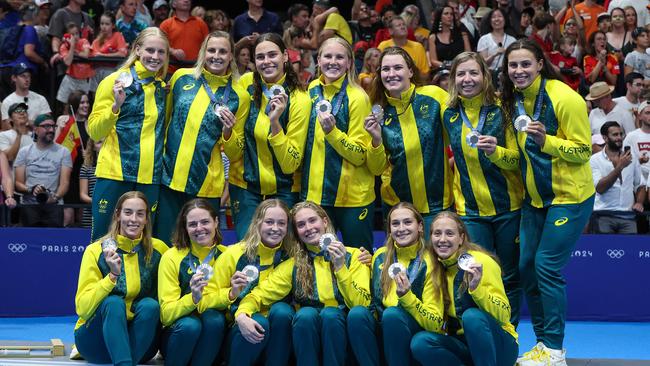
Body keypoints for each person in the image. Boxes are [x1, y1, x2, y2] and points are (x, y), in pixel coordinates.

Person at [501, 39, 595, 365]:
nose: (519, 71)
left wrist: (547, 141)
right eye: (513, 65)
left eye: (525, 64)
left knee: (546, 267)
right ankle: (543, 344)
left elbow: (584, 151)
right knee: (526, 267)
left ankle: (555, 350)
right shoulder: (514, 102)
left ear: (540, 64)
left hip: (570, 197)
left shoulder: (564, 98)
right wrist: (494, 152)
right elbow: (518, 159)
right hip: (535, 200)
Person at [234, 201, 371, 365]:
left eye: (312, 220)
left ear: (325, 221)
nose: (308, 227)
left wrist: (340, 267)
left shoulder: (354, 256)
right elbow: (260, 294)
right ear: (297, 232)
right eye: (301, 225)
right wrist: (242, 314)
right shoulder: (293, 264)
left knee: (330, 315)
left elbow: (362, 304)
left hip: (343, 328)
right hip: (307, 328)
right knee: (305, 315)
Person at [443, 51, 523, 326]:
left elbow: (518, 159)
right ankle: (480, 334)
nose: (467, 79)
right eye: (461, 74)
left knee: (509, 275)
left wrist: (496, 152)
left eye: (473, 73)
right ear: (453, 79)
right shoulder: (450, 114)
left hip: (508, 208)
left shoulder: (504, 109)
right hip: (471, 211)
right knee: (473, 271)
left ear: (485, 76)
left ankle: (507, 336)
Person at [155, 30, 250, 245]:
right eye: (212, 50)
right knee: (163, 245)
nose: (216, 56)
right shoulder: (181, 78)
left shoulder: (240, 96)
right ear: (203, 53)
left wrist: (228, 131)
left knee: (203, 250)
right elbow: (164, 122)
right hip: (169, 178)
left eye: (223, 51)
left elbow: (236, 152)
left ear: (231, 57)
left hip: (207, 184)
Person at [88, 27, 169, 241]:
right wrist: (116, 106)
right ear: (137, 49)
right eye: (150, 50)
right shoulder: (113, 81)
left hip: (150, 177)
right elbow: (95, 131)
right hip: (114, 173)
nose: (155, 56)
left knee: (144, 242)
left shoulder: (162, 89)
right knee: (103, 240)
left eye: (161, 52)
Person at [226, 33, 310, 240]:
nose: (266, 61)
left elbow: (290, 164)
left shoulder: (300, 99)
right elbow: (233, 151)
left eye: (272, 55)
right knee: (247, 250)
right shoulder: (244, 85)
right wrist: (227, 132)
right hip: (244, 186)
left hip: (285, 188)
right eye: (260, 57)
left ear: (285, 56)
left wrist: (274, 123)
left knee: (282, 252)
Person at [410, 211, 518, 365]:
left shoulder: (481, 262)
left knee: (472, 316)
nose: (442, 239)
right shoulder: (435, 267)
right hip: (464, 344)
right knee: (421, 342)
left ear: (461, 238)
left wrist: (477, 290)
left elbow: (504, 315)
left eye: (449, 233)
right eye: (437, 233)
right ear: (431, 237)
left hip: (500, 346)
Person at [73, 191, 168, 365]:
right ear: (117, 215)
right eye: (128, 212)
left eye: (140, 214)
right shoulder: (95, 251)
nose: (134, 219)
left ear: (147, 218)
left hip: (141, 345)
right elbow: (83, 308)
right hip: (96, 344)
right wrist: (112, 276)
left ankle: (125, 361)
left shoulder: (160, 250)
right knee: (113, 303)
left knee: (150, 305)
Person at [365, 47, 453, 233]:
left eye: (398, 67)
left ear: (410, 71)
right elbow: (376, 168)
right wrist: (376, 140)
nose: (391, 74)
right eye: (386, 69)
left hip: (437, 204)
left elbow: (458, 130)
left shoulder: (434, 96)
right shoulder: (378, 111)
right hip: (397, 208)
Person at [349, 202, 444, 366]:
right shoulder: (380, 256)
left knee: (392, 314)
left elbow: (435, 323)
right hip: (384, 326)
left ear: (420, 226)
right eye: (395, 224)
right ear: (389, 230)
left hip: (415, 330)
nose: (401, 228)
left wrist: (407, 296)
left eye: (408, 222)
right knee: (357, 314)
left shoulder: (432, 260)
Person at [201, 199, 295, 365]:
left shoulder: (291, 256)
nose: (275, 228)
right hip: (238, 331)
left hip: (277, 335)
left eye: (281, 223)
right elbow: (204, 300)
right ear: (257, 222)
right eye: (269, 222)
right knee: (259, 322)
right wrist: (231, 294)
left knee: (282, 311)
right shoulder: (234, 254)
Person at [302, 37, 374, 250]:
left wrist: (332, 132)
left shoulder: (358, 98)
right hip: (316, 195)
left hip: (352, 198)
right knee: (316, 260)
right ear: (319, 60)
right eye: (328, 56)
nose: (333, 62)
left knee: (359, 261)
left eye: (339, 57)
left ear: (350, 63)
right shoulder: (312, 88)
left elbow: (360, 154)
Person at [158, 199, 228, 365]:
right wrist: (193, 298)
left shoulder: (227, 256)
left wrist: (232, 294)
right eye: (192, 224)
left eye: (205, 222)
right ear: (185, 227)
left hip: (213, 337)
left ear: (216, 222)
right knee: (190, 325)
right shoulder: (171, 257)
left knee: (214, 319)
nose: (199, 228)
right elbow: (166, 315)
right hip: (179, 335)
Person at [14, 114, 72, 227]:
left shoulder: (63, 152)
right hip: (30, 206)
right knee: (28, 241)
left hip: (54, 206)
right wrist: (31, 189)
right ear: (35, 129)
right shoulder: (24, 152)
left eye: (53, 126)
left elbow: (65, 183)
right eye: (46, 126)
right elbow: (18, 183)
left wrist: (54, 198)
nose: (50, 129)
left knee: (54, 242)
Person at [590, 121, 646, 234]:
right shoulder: (594, 160)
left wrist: (639, 202)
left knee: (630, 251)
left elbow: (640, 185)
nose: (619, 138)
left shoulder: (632, 158)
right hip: (603, 215)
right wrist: (619, 167)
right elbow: (600, 188)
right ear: (605, 138)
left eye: (621, 134)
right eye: (615, 135)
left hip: (628, 216)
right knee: (602, 250)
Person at [1, 63, 51, 128]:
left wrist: (22, 123)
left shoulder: (41, 99)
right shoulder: (8, 101)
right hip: (17, 137)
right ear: (14, 78)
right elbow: (8, 127)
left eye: (28, 76)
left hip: (37, 136)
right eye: (23, 76)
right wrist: (32, 123)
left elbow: (48, 122)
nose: (27, 79)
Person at [476, 8, 517, 90]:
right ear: (490, 21)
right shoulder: (484, 39)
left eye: (500, 16)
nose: (497, 19)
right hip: (489, 78)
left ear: (505, 19)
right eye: (493, 17)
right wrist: (495, 54)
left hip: (507, 77)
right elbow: (482, 63)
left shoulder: (512, 40)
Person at [91, 11, 128, 90]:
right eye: (102, 24)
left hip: (111, 70)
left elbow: (122, 53)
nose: (104, 26)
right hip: (97, 71)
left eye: (107, 24)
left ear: (113, 25)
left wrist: (103, 55)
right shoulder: (97, 40)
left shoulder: (117, 36)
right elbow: (94, 54)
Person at [428, 5, 471, 70]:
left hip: (463, 68)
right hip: (444, 71)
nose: (449, 16)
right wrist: (448, 66)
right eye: (446, 14)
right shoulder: (433, 37)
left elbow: (468, 53)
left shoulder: (462, 34)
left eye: (451, 14)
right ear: (439, 17)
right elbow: (433, 61)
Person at [80, 138, 101, 228]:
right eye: (99, 142)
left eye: (105, 142)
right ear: (93, 147)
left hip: (111, 212)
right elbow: (83, 195)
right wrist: (97, 202)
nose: (103, 145)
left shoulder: (116, 167)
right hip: (90, 214)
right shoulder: (86, 167)